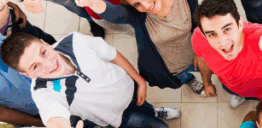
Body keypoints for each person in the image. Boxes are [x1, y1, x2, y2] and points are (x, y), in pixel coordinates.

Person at [0, 31, 185, 128]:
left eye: (43, 52)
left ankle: (155, 112)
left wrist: (140, 81)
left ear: (45, 43)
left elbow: (112, 55)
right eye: (35, 66)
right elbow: (53, 115)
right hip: (120, 117)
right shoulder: (43, 91)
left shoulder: (75, 41)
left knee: (148, 109)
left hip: (131, 90)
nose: (48, 63)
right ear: (27, 75)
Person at [74, 0, 206, 94]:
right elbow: (116, 14)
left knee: (206, 70)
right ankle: (189, 80)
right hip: (171, 65)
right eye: (137, 4)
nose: (147, 5)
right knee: (182, 76)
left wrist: (199, 51)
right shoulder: (139, 16)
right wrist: (94, 3)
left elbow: (197, 23)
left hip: (196, 53)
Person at [191, 0, 262, 108]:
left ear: (240, 24)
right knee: (237, 92)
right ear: (203, 34)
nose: (222, 42)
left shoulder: (260, 35)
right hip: (231, 86)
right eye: (212, 34)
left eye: (227, 29)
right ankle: (241, 96)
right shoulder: (198, 38)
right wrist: (207, 83)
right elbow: (202, 59)